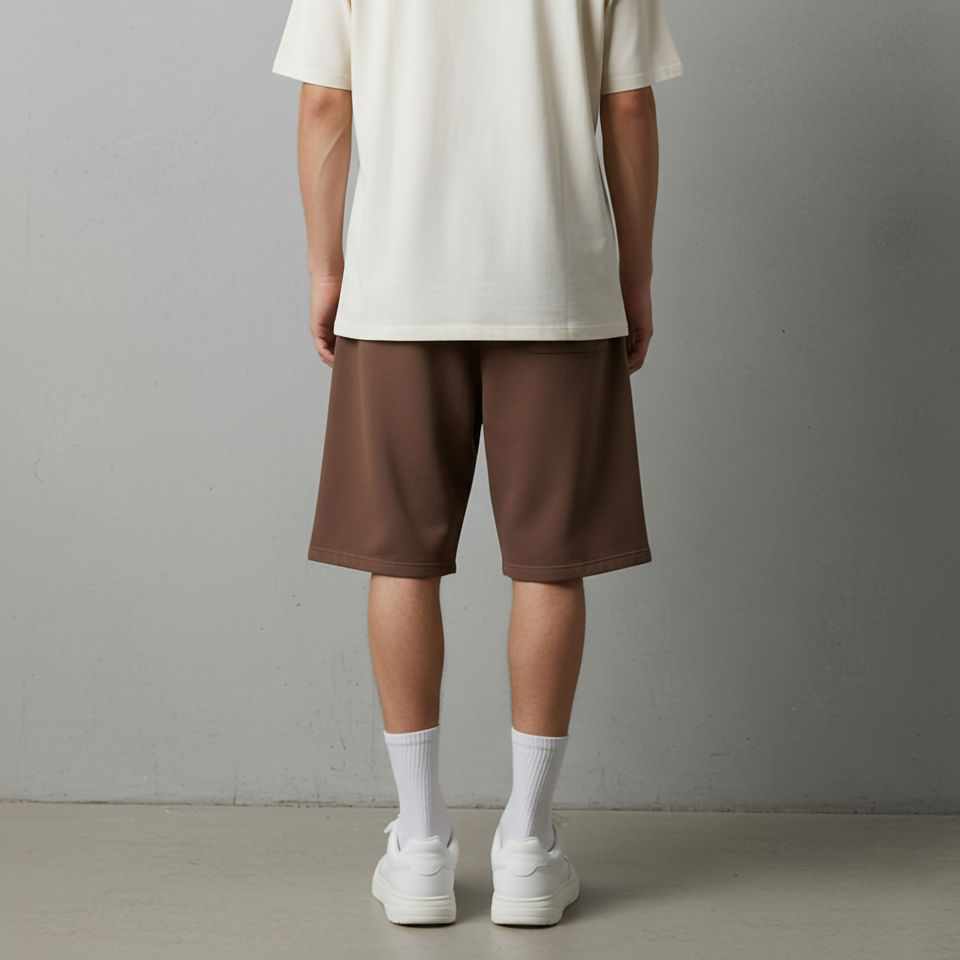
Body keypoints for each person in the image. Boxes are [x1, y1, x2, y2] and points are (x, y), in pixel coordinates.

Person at [271, 0, 683, 928]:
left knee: (399, 559)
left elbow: (325, 103)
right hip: (556, 279)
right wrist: (636, 272)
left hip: (399, 282)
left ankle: (420, 844)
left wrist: (326, 267)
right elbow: (628, 106)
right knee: (552, 563)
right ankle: (527, 847)